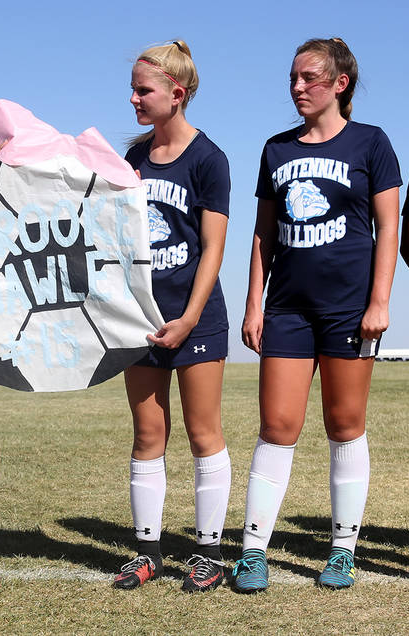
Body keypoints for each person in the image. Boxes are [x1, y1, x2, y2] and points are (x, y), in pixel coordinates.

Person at [234, 38, 401, 592]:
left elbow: (388, 230)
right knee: (277, 427)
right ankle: (253, 550)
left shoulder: (372, 144)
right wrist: (254, 300)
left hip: (349, 310)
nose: (298, 88)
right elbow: (262, 234)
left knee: (345, 425)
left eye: (309, 78)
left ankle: (343, 551)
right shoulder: (276, 149)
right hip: (287, 309)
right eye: (293, 78)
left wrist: (379, 302)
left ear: (340, 84)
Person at [112, 41, 232, 592]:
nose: (133, 97)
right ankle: (147, 552)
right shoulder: (132, 160)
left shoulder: (209, 160)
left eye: (144, 89)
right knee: (147, 433)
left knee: (203, 432)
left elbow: (212, 249)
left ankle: (208, 553)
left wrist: (188, 317)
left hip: (196, 319)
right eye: (134, 88)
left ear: (176, 94)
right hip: (141, 319)